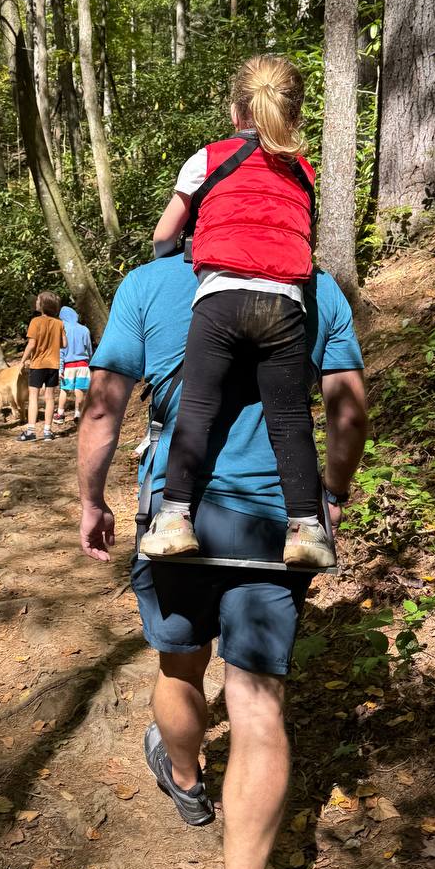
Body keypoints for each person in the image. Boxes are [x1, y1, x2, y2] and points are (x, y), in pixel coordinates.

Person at [77, 250, 367, 869]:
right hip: (278, 522)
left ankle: (184, 778)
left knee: (179, 667)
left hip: (179, 520)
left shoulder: (146, 284)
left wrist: (91, 500)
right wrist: (332, 493)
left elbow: (105, 405)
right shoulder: (315, 285)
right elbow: (349, 408)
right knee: (258, 705)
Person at [141, 54, 331, 570]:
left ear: (235, 111)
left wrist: (179, 252)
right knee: (290, 418)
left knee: (198, 408)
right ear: (292, 115)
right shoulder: (303, 170)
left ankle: (175, 520)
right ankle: (307, 531)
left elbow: (163, 236)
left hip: (221, 298)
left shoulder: (208, 158)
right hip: (284, 303)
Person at [17, 290, 66, 442]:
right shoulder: (59, 323)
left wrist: (22, 361)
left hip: (37, 364)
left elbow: (31, 344)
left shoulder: (35, 322)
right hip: (53, 365)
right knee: (50, 398)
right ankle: (47, 431)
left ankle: (31, 431)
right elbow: (64, 344)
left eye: (38, 300)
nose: (36, 302)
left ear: (43, 305)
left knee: (33, 397)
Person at [55, 305, 93, 426]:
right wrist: (90, 362)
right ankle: (78, 414)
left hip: (68, 366)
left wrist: (60, 369)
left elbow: (61, 352)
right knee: (79, 389)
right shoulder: (84, 330)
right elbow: (89, 348)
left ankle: (60, 414)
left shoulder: (62, 330)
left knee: (64, 390)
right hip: (83, 365)